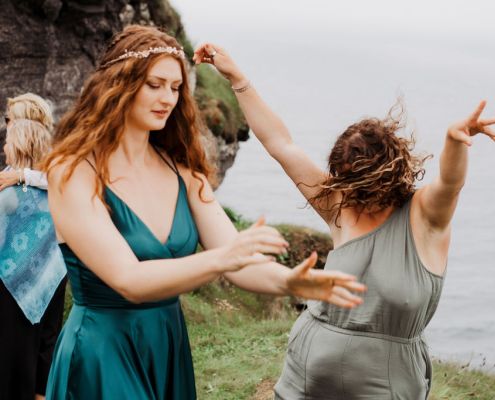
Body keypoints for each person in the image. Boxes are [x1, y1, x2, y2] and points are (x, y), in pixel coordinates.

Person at [42, 25, 366, 400]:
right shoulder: (72, 172)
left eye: (176, 87)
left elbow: (241, 259)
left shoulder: (182, 172)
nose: (168, 98)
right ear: (119, 84)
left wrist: (288, 282)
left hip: (166, 347)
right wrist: (223, 259)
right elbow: (128, 279)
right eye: (155, 84)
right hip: (101, 353)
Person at [197, 43, 495, 399]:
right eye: (343, 180)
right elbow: (281, 145)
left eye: (359, 183)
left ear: (388, 174)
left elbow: (450, 184)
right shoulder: (339, 204)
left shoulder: (425, 217)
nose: (349, 192)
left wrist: (454, 141)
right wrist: (238, 78)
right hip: (305, 376)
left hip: (384, 385)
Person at [0, 119, 67, 400]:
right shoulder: (59, 192)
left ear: (17, 145)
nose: (3, 145)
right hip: (49, 279)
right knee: (43, 341)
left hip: (5, 286)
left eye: (7, 140)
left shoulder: (7, 191)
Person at [1, 93, 53, 191]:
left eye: (8, 119)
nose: (6, 125)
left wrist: (22, 176)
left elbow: (60, 180)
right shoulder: (19, 158)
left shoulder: (55, 160)